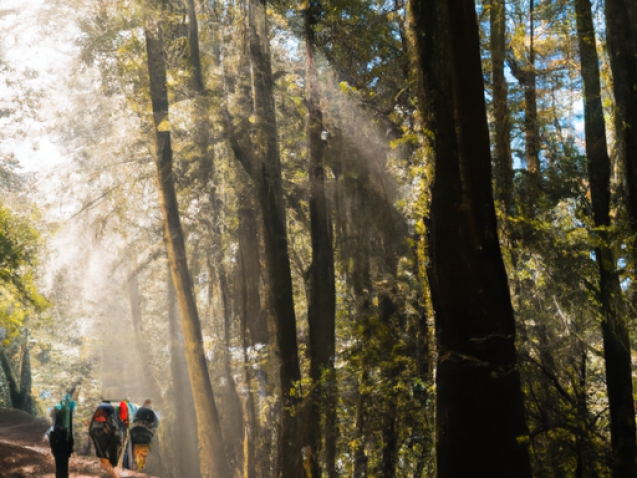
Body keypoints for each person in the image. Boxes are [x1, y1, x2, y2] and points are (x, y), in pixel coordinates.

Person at [89, 401, 123, 476]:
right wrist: (119, 439)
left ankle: (111, 473)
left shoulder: (99, 408)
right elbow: (114, 425)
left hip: (95, 432)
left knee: (104, 458)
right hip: (105, 433)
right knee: (110, 460)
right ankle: (113, 474)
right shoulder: (110, 409)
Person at [48, 394, 75, 478]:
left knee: (59, 467)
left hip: (58, 446)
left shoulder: (58, 415)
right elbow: (71, 433)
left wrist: (52, 447)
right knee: (64, 467)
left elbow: (51, 434)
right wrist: (70, 448)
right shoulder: (68, 415)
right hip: (65, 446)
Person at [129, 398, 159, 471]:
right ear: (151, 406)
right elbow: (154, 429)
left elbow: (132, 420)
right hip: (146, 436)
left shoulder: (139, 410)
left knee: (131, 451)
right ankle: (138, 469)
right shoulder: (154, 416)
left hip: (134, 433)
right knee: (141, 456)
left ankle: (130, 466)